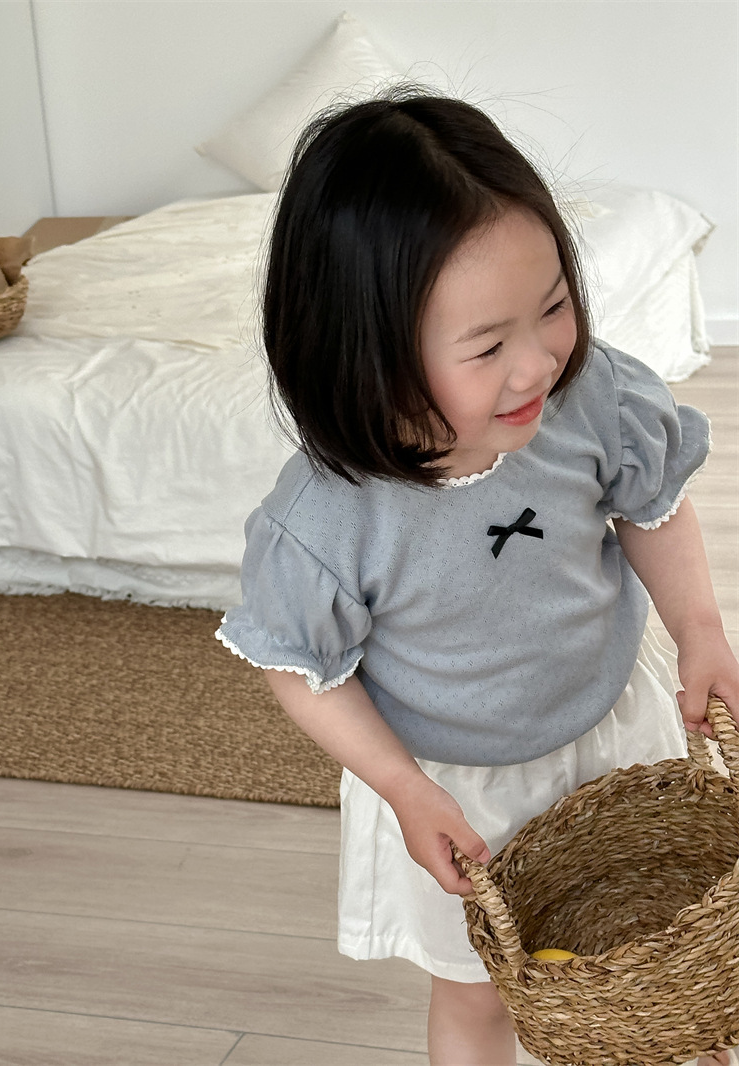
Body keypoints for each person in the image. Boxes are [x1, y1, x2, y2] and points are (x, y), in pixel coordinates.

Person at [216, 91, 739, 1066]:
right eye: (488, 346)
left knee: (654, 949)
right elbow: (301, 668)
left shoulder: (591, 397)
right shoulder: (329, 519)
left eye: (554, 307)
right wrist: (400, 788)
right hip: (457, 793)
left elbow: (649, 504)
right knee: (477, 999)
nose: (537, 363)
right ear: (368, 354)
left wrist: (701, 627)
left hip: (611, 729)